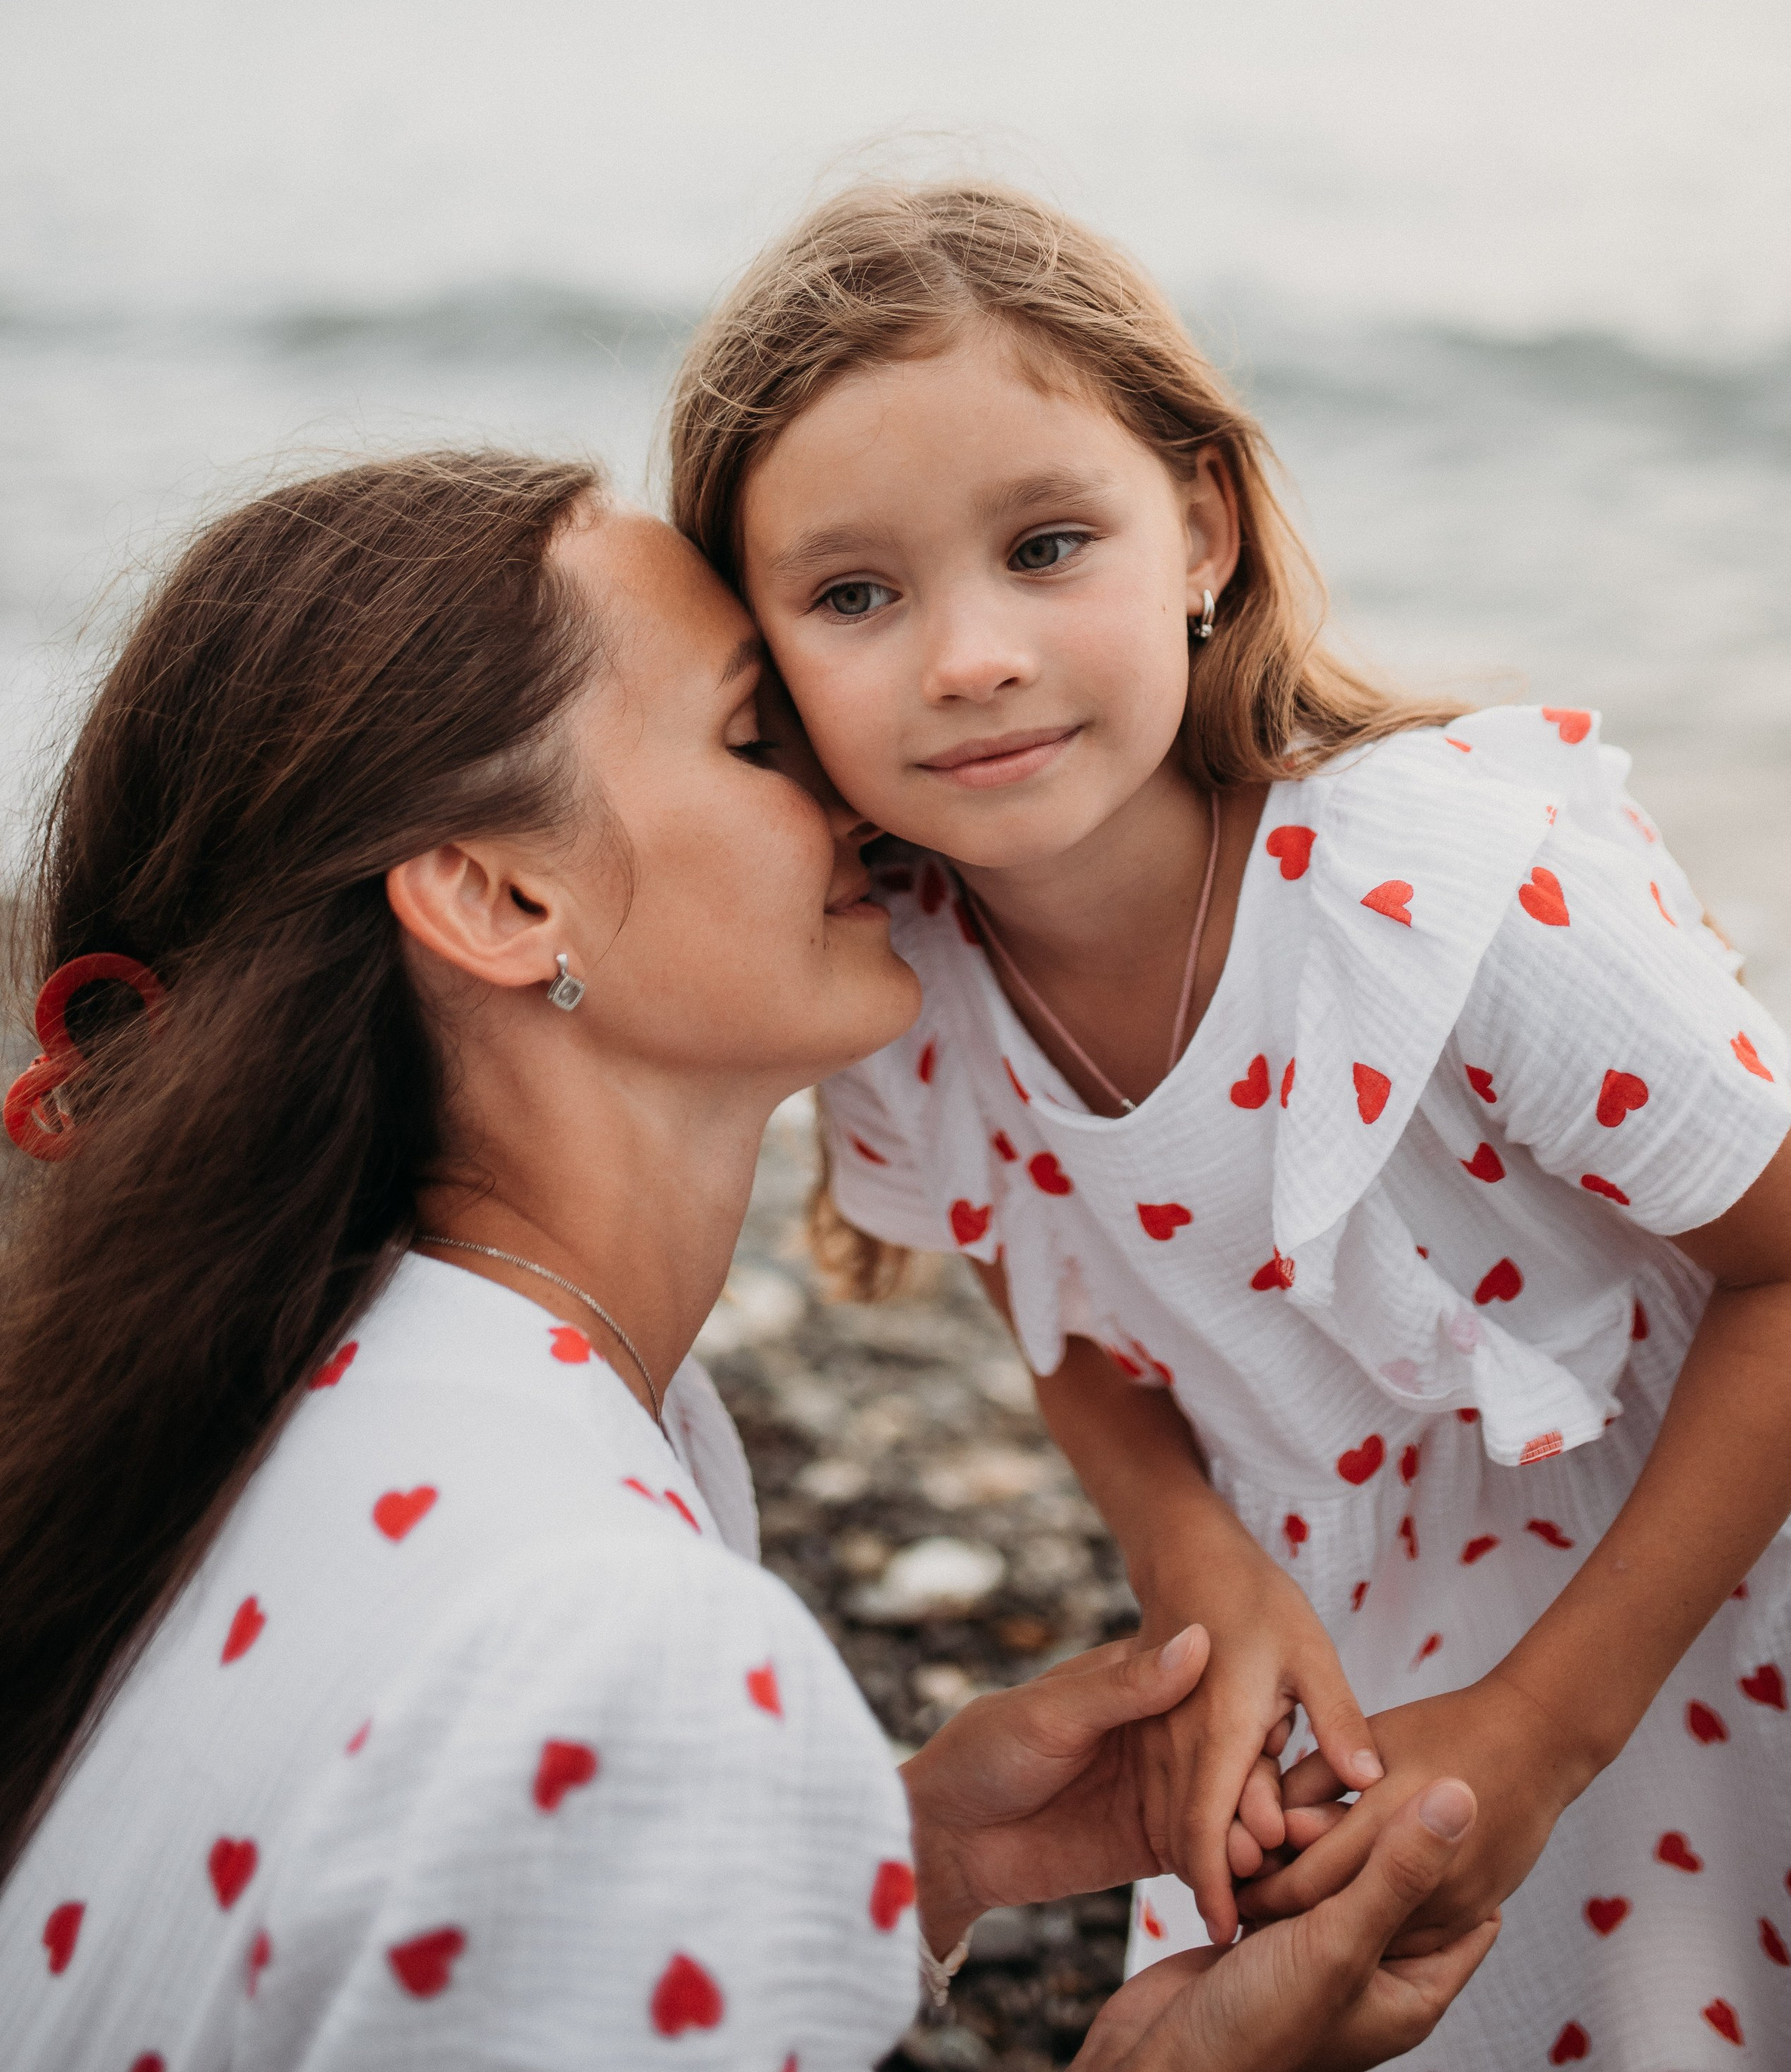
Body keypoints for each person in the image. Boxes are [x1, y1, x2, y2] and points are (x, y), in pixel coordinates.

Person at [0, 449, 1496, 2070]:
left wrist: (896, 1859)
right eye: (753, 736)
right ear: (501, 895)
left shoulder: (282, 1403)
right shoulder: (627, 1666)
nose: (865, 786)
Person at [666, 179, 1791, 2072]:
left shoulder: (1436, 901)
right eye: (855, 594)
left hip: (1739, 1568)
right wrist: (1195, 1558)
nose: (968, 656)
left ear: (1199, 526)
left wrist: (1537, 1727)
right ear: (757, 656)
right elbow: (1073, 1324)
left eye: (1043, 543)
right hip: (1366, 1630)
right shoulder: (898, 983)